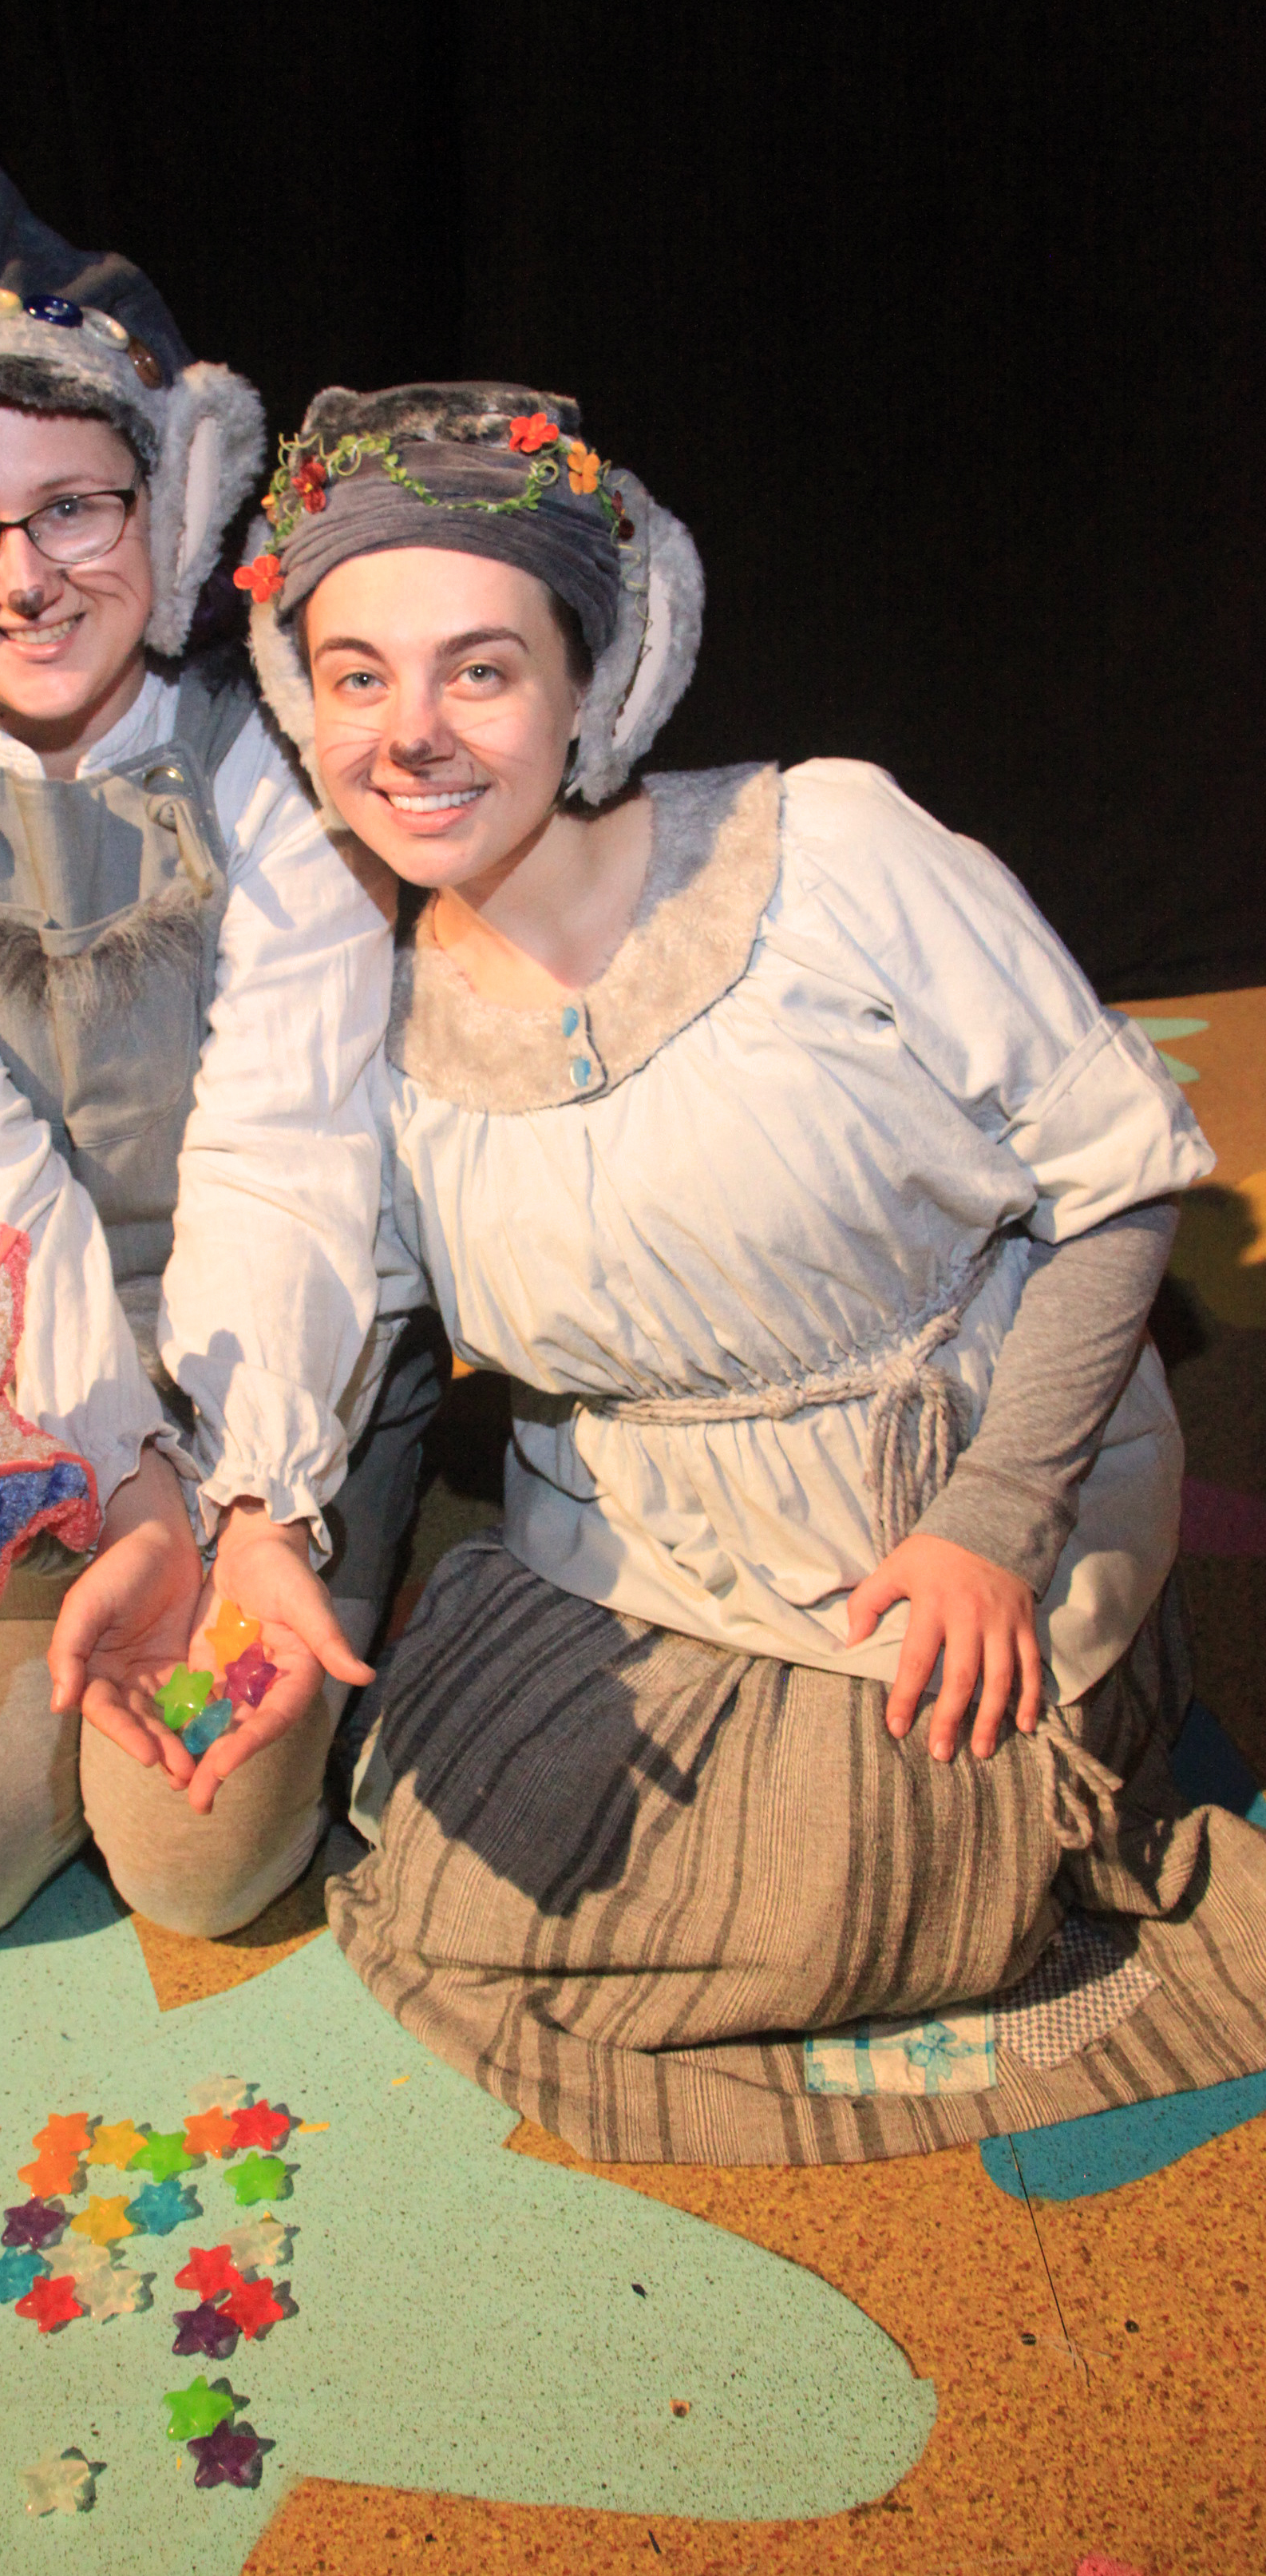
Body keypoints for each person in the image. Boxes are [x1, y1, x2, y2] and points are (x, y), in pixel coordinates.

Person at [225, 378, 1266, 2163]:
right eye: (358, 676)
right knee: (473, 1887)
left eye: (481, 669)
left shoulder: (830, 851)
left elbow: (1117, 1187)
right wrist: (259, 1522)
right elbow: (350, 1314)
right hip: (640, 1558)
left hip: (942, 1525)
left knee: (826, 1907)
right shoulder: (366, 1020)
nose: (412, 735)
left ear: (592, 681)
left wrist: (997, 1518)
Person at [0, 162, 436, 1944]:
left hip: (265, 1341)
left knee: (203, 1868)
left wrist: (241, 1494)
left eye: (72, 506)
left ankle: (365, 1513)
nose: (24, 577)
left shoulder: (276, 770)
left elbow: (288, 1140)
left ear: (171, 500)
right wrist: (119, 1481)